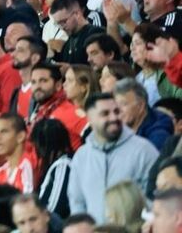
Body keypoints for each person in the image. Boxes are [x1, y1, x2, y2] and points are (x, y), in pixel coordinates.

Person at [68, 93, 159, 222]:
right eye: (105, 114)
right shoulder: (81, 156)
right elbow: (77, 202)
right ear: (90, 119)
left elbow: (155, 198)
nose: (113, 117)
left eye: (116, 111)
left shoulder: (144, 150)